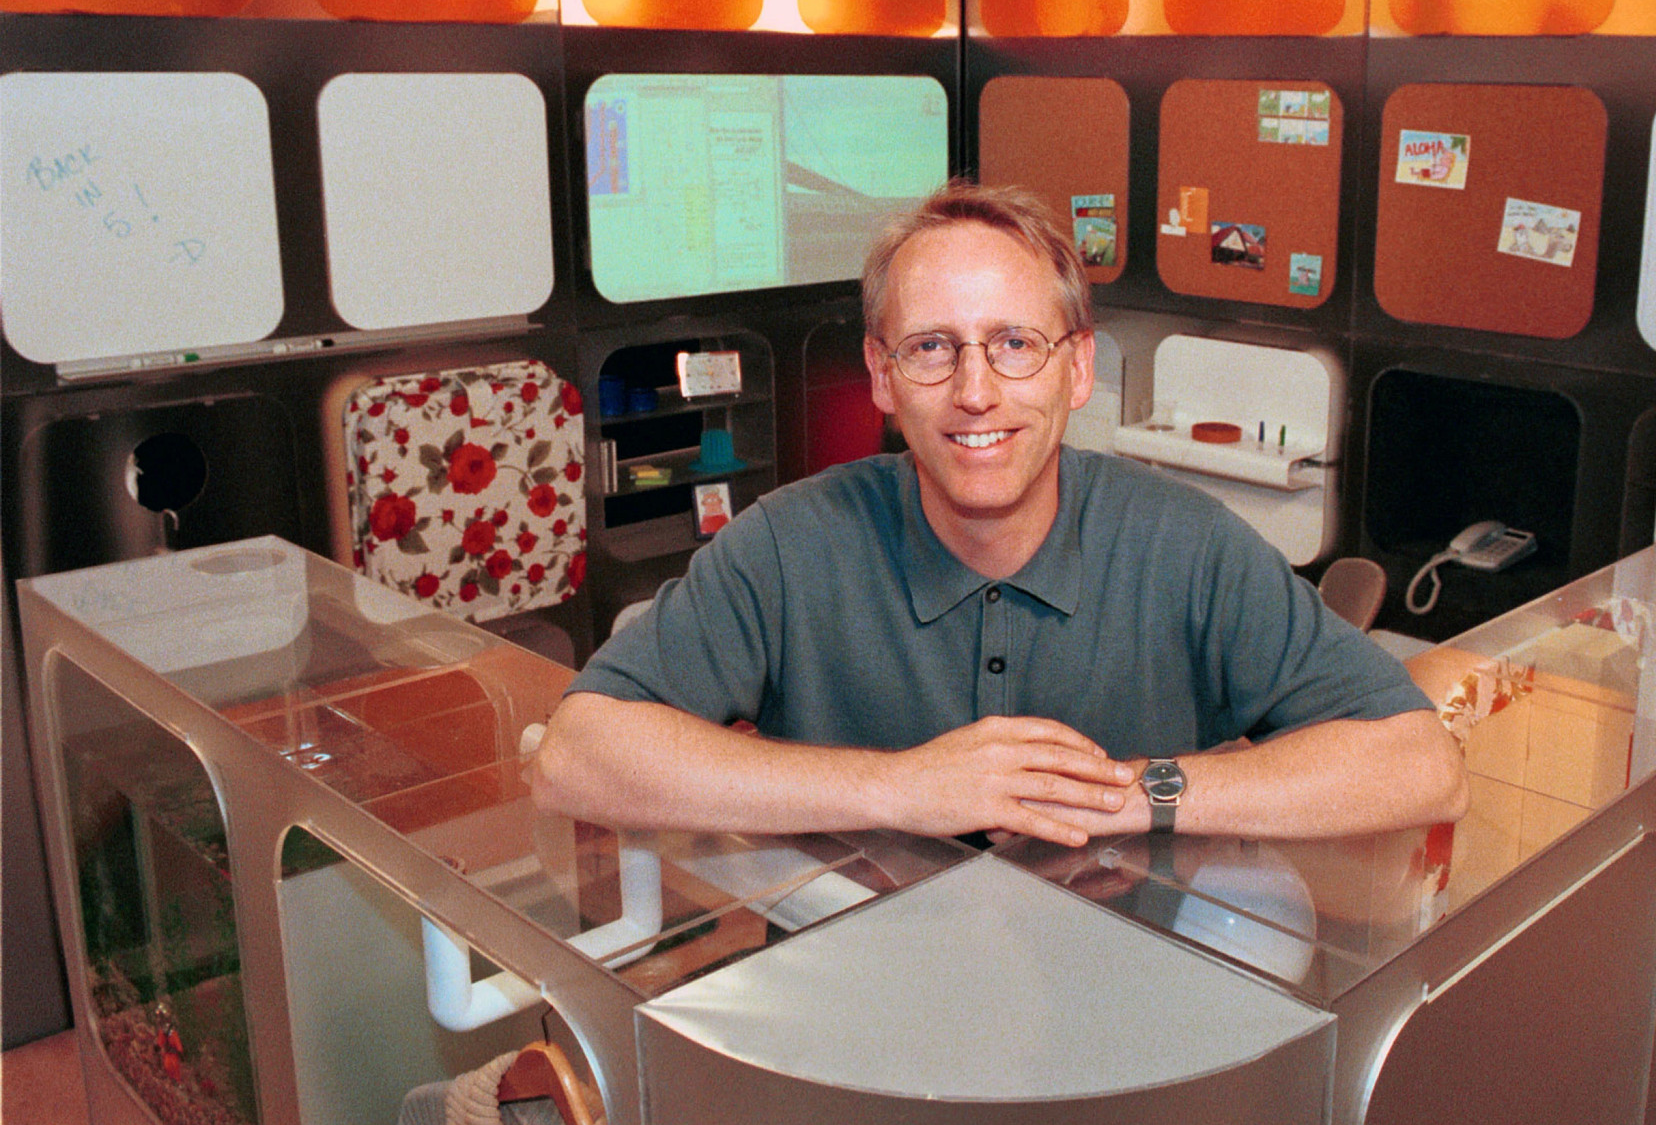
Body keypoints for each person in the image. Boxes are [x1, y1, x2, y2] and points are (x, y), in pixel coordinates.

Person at [532, 182, 1465, 847]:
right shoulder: (790, 544)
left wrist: (1132, 793)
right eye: (933, 347)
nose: (977, 392)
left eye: (1016, 344)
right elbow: (577, 756)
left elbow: (1421, 762)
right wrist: (898, 788)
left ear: (1079, 367)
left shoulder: (1185, 544)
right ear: (881, 376)